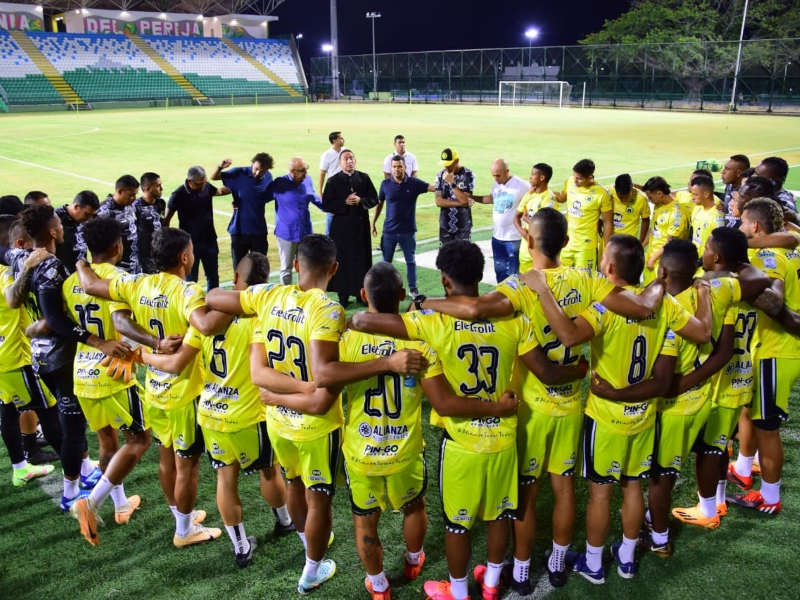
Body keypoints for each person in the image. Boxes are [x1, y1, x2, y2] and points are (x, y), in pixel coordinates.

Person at [418, 208, 687, 593]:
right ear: (566, 242)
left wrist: (425, 302)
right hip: (571, 404)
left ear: (528, 240)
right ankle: (559, 564)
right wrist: (660, 283)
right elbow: (642, 306)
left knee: (525, 493)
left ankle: (523, 571)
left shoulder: (520, 285)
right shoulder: (590, 279)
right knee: (563, 488)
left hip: (529, 408)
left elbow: (474, 308)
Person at [351, 241, 589, 600]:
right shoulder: (514, 320)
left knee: (458, 525)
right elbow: (547, 373)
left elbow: (363, 319)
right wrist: (580, 370)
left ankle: (459, 591)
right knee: (498, 517)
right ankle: (492, 584)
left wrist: (420, 304)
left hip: (462, 444)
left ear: (445, 282)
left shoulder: (432, 323)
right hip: (504, 440)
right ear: (481, 276)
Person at [528, 234, 707, 583]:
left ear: (608, 268)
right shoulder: (666, 306)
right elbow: (699, 336)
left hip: (606, 416)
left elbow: (567, 335)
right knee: (632, 486)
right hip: (644, 416)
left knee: (600, 493)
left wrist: (542, 291)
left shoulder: (604, 308)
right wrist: (703, 294)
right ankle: (626, 558)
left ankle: (593, 564)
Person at [206, 234, 346, 595]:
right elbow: (322, 381)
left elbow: (214, 298)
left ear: (296, 265)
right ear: (333, 270)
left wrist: (280, 393)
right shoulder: (329, 311)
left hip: (278, 419)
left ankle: (307, 546)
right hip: (315, 425)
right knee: (319, 498)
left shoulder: (267, 297)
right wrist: (307, 387)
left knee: (295, 484)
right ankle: (312, 568)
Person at [139, 252, 298, 567]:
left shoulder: (208, 317)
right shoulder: (261, 317)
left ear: (237, 279)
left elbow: (176, 362)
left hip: (210, 412)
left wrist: (143, 356)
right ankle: (284, 521)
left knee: (226, 480)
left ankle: (241, 548)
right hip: (250, 415)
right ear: (263, 284)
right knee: (269, 471)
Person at [77, 227, 231, 547]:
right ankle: (185, 531)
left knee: (166, 460)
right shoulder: (188, 292)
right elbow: (203, 324)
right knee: (187, 467)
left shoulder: (135, 283)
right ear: (185, 257)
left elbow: (90, 283)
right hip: (185, 392)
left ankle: (182, 518)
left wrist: (79, 262)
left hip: (154, 390)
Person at [9, 205, 128, 511]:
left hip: (39, 354)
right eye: (59, 225)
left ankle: (85, 478)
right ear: (52, 231)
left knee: (66, 421)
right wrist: (95, 340)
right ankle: (70, 494)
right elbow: (55, 319)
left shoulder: (20, 257)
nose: (63, 228)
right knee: (73, 429)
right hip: (59, 357)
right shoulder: (51, 268)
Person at [670, 228, 766, 532]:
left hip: (717, 381)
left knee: (709, 449)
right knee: (720, 444)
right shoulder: (742, 285)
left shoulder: (717, 288)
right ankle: (719, 500)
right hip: (741, 374)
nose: (703, 250)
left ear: (717, 256)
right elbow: (761, 280)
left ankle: (707, 509)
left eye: (707, 246)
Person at [65, 218, 152, 546]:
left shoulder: (71, 281)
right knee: (140, 441)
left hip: (83, 374)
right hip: (114, 375)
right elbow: (134, 324)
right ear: (119, 247)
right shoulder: (122, 281)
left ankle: (119, 504)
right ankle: (93, 502)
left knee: (107, 444)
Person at [726, 198, 800, 515]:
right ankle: (745, 469)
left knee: (767, 427)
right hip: (772, 348)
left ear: (755, 226)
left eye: (743, 222)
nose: (740, 227)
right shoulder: (790, 247)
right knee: (754, 414)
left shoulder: (769, 256)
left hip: (775, 350)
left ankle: (770, 497)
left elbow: (774, 299)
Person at [0, 247, 61, 487]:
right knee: (49, 409)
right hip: (16, 356)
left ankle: (20, 468)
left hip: (5, 354)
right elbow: (12, 299)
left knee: (8, 409)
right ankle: (80, 471)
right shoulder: (6, 273)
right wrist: (26, 267)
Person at [321, 149, 378, 306]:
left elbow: (374, 198)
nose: (349, 161)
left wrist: (361, 201)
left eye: (351, 158)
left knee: (362, 260)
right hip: (341, 229)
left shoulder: (364, 178)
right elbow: (326, 204)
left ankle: (361, 294)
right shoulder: (333, 181)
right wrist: (344, 203)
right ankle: (343, 296)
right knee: (342, 260)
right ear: (340, 163)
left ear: (355, 160)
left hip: (360, 228)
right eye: (346, 159)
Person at [372, 154, 434, 296]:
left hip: (408, 232)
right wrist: (373, 223)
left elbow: (432, 187)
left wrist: (448, 183)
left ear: (405, 167)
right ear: (391, 168)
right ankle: (385, 289)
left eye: (399, 166)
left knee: (410, 261)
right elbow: (379, 204)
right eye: (394, 167)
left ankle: (413, 290)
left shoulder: (414, 183)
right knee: (386, 263)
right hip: (389, 232)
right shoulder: (385, 184)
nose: (396, 169)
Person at [166, 166, 231, 291]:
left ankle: (213, 304)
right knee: (191, 278)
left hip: (210, 240)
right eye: (200, 183)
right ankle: (191, 305)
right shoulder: (178, 194)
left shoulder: (206, 186)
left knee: (213, 276)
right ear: (190, 181)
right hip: (190, 244)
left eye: (205, 182)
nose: (203, 185)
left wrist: (238, 186)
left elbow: (220, 191)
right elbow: (167, 220)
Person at [266, 157, 323, 285]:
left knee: (305, 266)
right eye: (302, 171)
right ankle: (287, 297)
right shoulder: (279, 183)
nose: (306, 174)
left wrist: (333, 206)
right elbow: (260, 198)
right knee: (286, 267)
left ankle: (302, 295)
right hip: (286, 233)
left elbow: (315, 198)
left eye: (306, 169)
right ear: (293, 171)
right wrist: (238, 201)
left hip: (305, 231)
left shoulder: (307, 180)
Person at [212, 153, 274, 269]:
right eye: (256, 169)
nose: (257, 173)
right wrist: (220, 167)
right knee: (239, 269)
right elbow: (214, 177)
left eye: (262, 171)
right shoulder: (239, 173)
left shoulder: (269, 177)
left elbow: (264, 196)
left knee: (260, 269)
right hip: (239, 230)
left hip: (259, 231)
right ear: (252, 163)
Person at [472, 159, 529, 283]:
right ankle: (502, 298)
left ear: (507, 171)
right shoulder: (496, 185)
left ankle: (514, 301)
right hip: (497, 238)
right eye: (493, 175)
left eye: (498, 175)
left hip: (513, 238)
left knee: (514, 275)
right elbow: (491, 199)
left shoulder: (522, 186)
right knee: (500, 273)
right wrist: (471, 197)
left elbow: (534, 198)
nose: (496, 179)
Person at [555, 159, 612, 270]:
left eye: (579, 179)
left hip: (586, 247)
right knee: (561, 279)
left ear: (590, 178)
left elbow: (607, 222)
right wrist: (544, 190)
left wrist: (607, 249)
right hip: (566, 243)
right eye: (574, 176)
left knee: (584, 282)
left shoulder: (602, 193)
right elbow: (562, 198)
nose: (575, 181)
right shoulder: (570, 182)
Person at [641, 176, 690, 283]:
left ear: (659, 193)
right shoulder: (659, 205)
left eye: (650, 197)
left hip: (663, 262)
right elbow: (653, 227)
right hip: (651, 257)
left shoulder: (677, 215)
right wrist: (643, 245)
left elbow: (670, 243)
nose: (650, 200)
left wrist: (653, 259)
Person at [514, 163, 557, 274]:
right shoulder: (529, 195)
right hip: (525, 248)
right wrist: (523, 232)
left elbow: (545, 225)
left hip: (540, 249)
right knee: (525, 284)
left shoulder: (549, 199)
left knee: (541, 282)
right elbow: (516, 217)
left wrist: (527, 219)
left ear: (542, 178)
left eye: (533, 174)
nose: (530, 177)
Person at [97, 175, 141, 274]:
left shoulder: (128, 205)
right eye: (131, 195)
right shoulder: (104, 213)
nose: (134, 199)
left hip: (135, 266)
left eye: (135, 195)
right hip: (117, 270)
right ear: (120, 191)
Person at [434, 148, 475, 245]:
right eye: (445, 164)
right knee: (446, 258)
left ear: (456, 161)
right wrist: (460, 203)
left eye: (449, 164)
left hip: (463, 227)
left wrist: (451, 183)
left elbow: (464, 200)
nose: (446, 168)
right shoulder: (440, 175)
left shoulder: (468, 175)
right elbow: (439, 201)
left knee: (463, 258)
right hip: (445, 227)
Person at [55, 190, 99, 274]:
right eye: (87, 214)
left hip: (81, 274)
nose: (90, 219)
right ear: (76, 206)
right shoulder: (55, 220)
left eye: (92, 215)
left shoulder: (84, 219)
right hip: (63, 276)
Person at [134, 172, 164, 274]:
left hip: (160, 253)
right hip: (143, 256)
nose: (161, 188)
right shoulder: (135, 207)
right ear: (147, 188)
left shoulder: (161, 203)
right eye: (158, 186)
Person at [690, 175, 726, 257]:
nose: (692, 198)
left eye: (695, 194)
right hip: (694, 259)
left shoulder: (717, 216)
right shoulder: (697, 208)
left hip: (706, 263)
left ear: (706, 194)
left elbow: (717, 246)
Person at [608, 174, 650, 244]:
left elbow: (645, 219)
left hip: (628, 242)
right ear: (615, 189)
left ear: (632, 188)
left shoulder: (641, 199)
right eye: (620, 197)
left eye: (627, 196)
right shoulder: (608, 192)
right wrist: (599, 221)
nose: (624, 200)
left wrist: (641, 240)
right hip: (609, 239)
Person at [319, 131, 344, 235]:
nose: (343, 140)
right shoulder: (326, 155)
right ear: (334, 140)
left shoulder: (345, 152)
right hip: (333, 189)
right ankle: (328, 240)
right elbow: (322, 174)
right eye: (340, 138)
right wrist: (321, 193)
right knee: (331, 214)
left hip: (345, 188)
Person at [720, 154, 750, 227]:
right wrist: (725, 207)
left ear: (739, 173)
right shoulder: (729, 186)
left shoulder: (749, 192)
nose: (723, 172)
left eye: (727, 169)